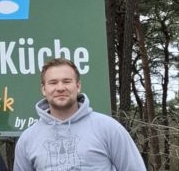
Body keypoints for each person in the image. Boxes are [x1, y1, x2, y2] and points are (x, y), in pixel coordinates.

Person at [14, 58, 146, 170]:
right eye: (53, 82)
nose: (60, 88)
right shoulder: (27, 140)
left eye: (67, 81)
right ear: (44, 89)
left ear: (78, 86)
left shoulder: (109, 128)